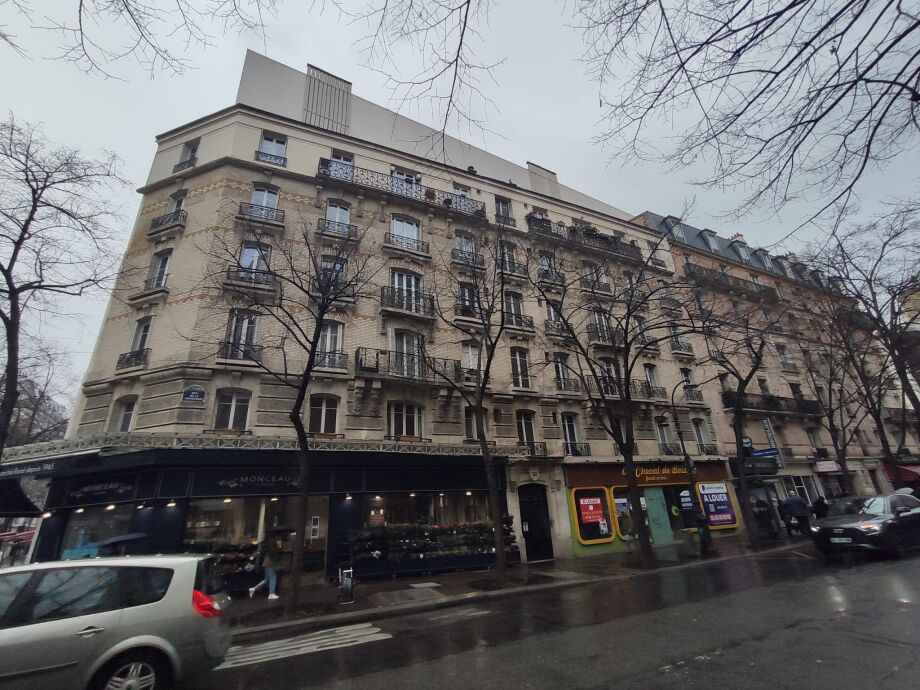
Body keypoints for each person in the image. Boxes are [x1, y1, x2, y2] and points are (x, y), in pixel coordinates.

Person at [249, 536, 283, 600]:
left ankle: (253, 589)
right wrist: (279, 547)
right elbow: (274, 554)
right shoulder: (273, 546)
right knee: (273, 577)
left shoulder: (267, 546)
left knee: (267, 579)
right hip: (270, 563)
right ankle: (271, 594)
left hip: (266, 563)